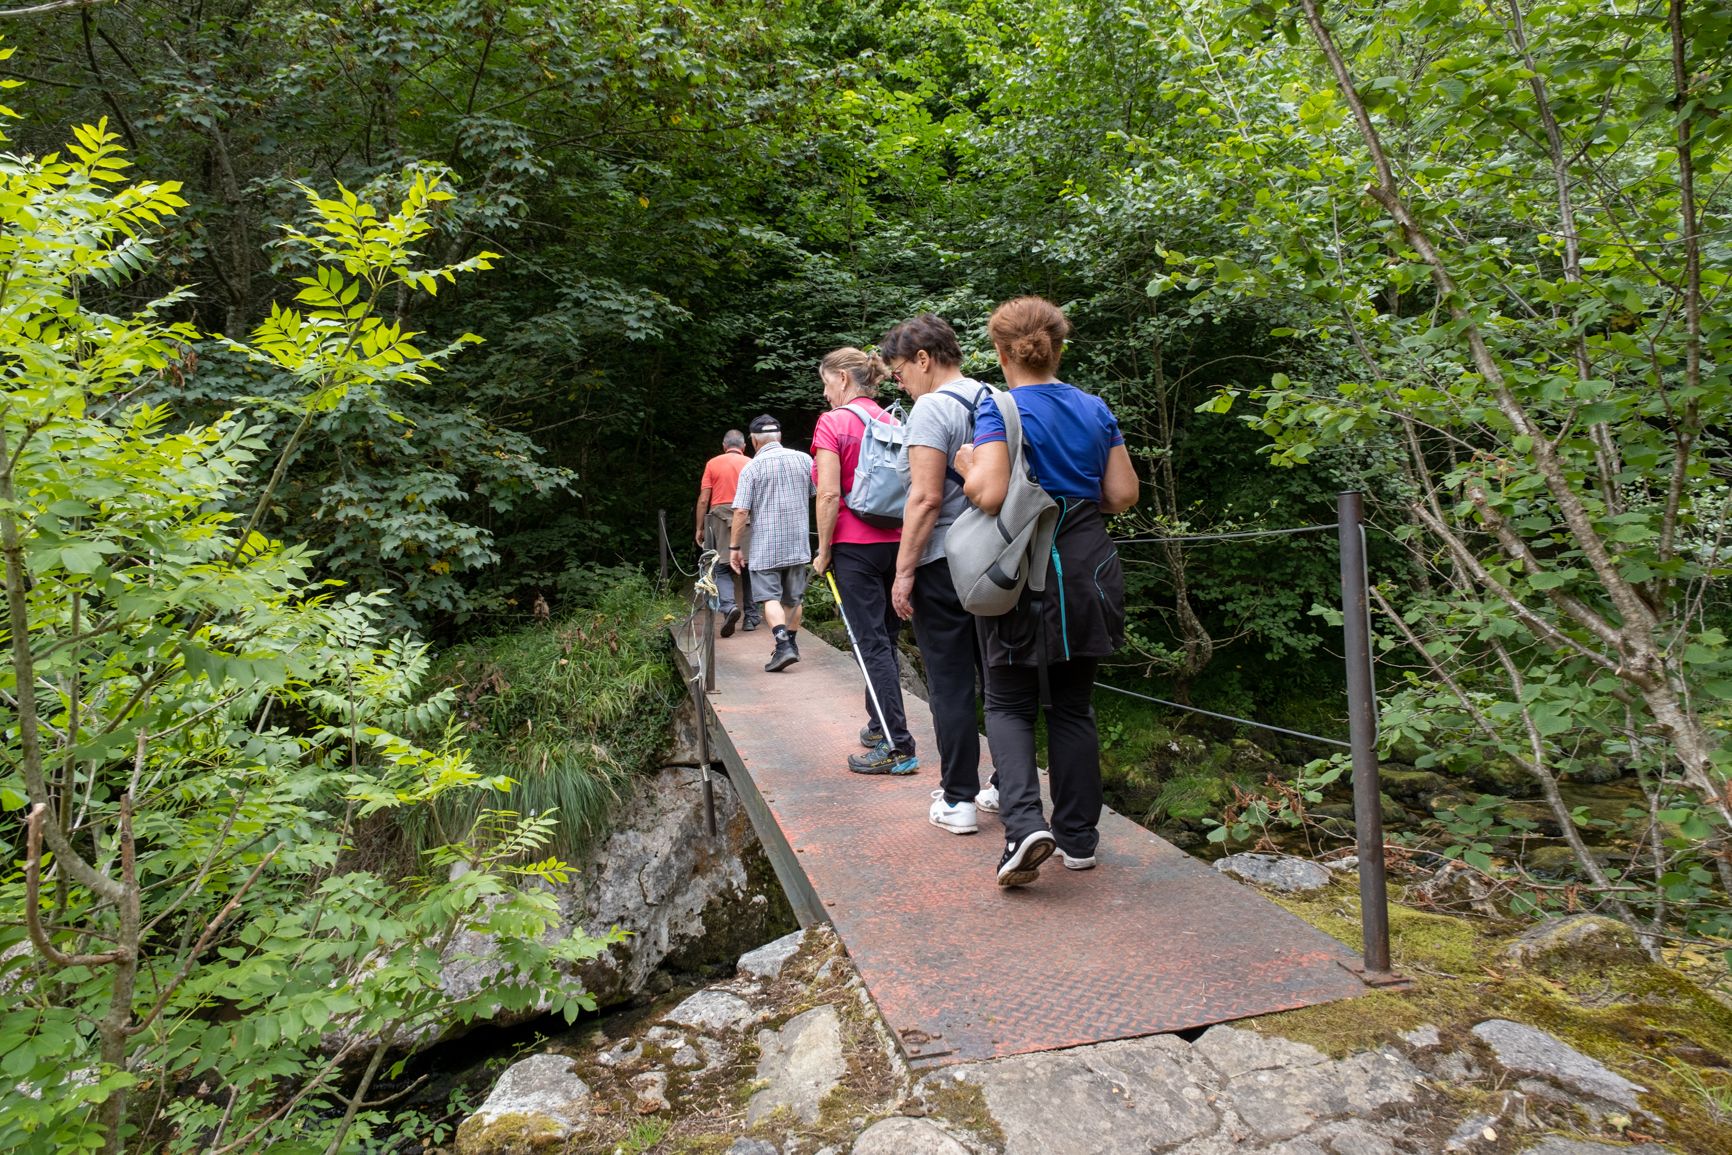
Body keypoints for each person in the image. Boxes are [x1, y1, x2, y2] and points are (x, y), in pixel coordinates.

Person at [954, 296, 1139, 887]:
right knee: (1074, 705)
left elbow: (987, 493)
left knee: (1008, 701)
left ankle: (1024, 827)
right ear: (1057, 347)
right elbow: (1122, 493)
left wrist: (964, 464)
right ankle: (1080, 840)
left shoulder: (999, 407)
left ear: (1003, 352)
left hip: (1022, 572)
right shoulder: (1093, 407)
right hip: (1088, 570)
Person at [882, 315, 993, 827]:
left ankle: (958, 799)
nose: (900, 383)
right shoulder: (997, 397)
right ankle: (1002, 785)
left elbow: (925, 498)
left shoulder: (931, 408)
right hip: (998, 560)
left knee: (950, 681)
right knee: (1001, 677)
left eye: (900, 372)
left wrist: (904, 571)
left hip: (945, 562)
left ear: (923, 359)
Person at [811, 348, 918, 776]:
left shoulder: (832, 423)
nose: (824, 393)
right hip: (898, 543)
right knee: (885, 641)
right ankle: (879, 725)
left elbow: (830, 494)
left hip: (854, 547)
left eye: (825, 383)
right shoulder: (893, 420)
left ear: (841, 378)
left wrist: (823, 551)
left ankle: (898, 746)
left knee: (869, 643)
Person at [731, 414, 816, 673]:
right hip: (798, 543)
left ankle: (782, 647)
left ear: (754, 441)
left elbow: (741, 512)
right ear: (779, 436)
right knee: (793, 598)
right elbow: (817, 494)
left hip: (766, 546)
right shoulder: (804, 460)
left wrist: (734, 547)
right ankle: (791, 645)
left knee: (769, 597)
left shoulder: (752, 468)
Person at [695, 429, 759, 635]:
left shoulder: (713, 463)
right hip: (747, 518)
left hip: (719, 519)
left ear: (724, 446)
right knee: (749, 568)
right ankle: (751, 617)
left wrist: (699, 527)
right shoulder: (752, 462)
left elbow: (704, 499)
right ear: (743, 447)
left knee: (721, 567)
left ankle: (729, 606)